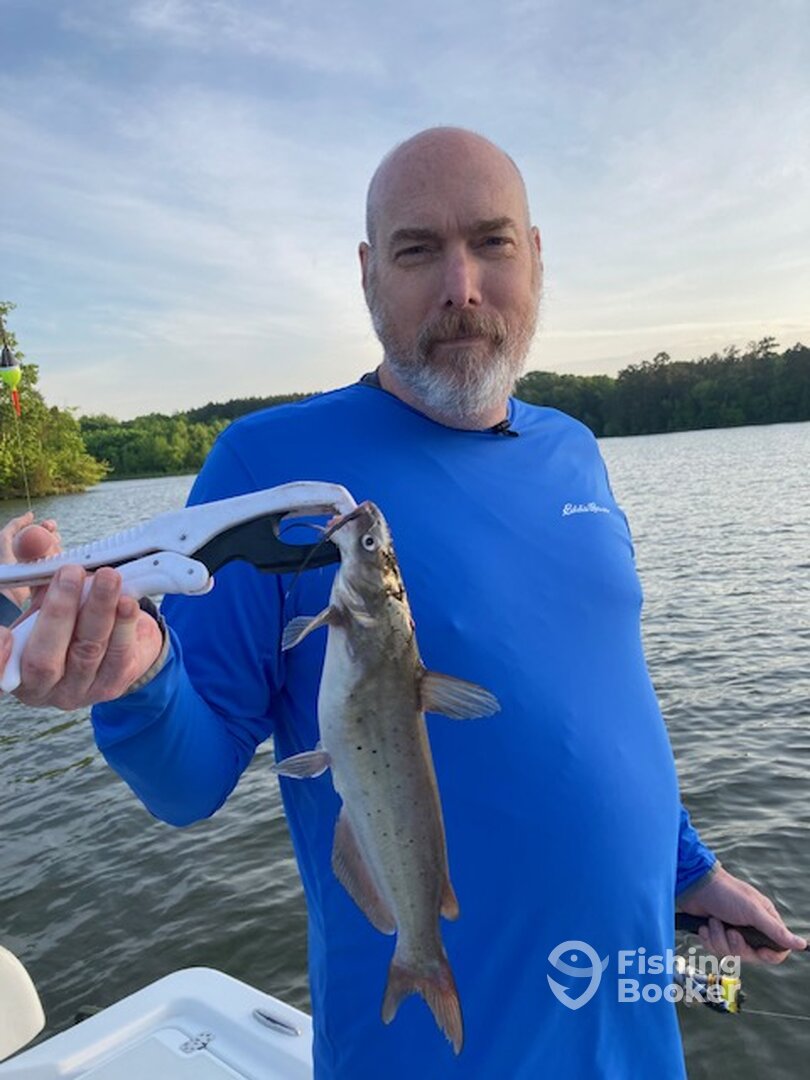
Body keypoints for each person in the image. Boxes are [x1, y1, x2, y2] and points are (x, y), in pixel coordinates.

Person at [1, 129, 804, 1078]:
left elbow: (605, 697)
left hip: (625, 1022)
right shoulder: (267, 467)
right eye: (419, 250)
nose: (462, 286)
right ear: (368, 274)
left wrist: (690, 871)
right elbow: (186, 786)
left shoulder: (574, 449)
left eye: (492, 243)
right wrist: (136, 681)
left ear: (535, 257)